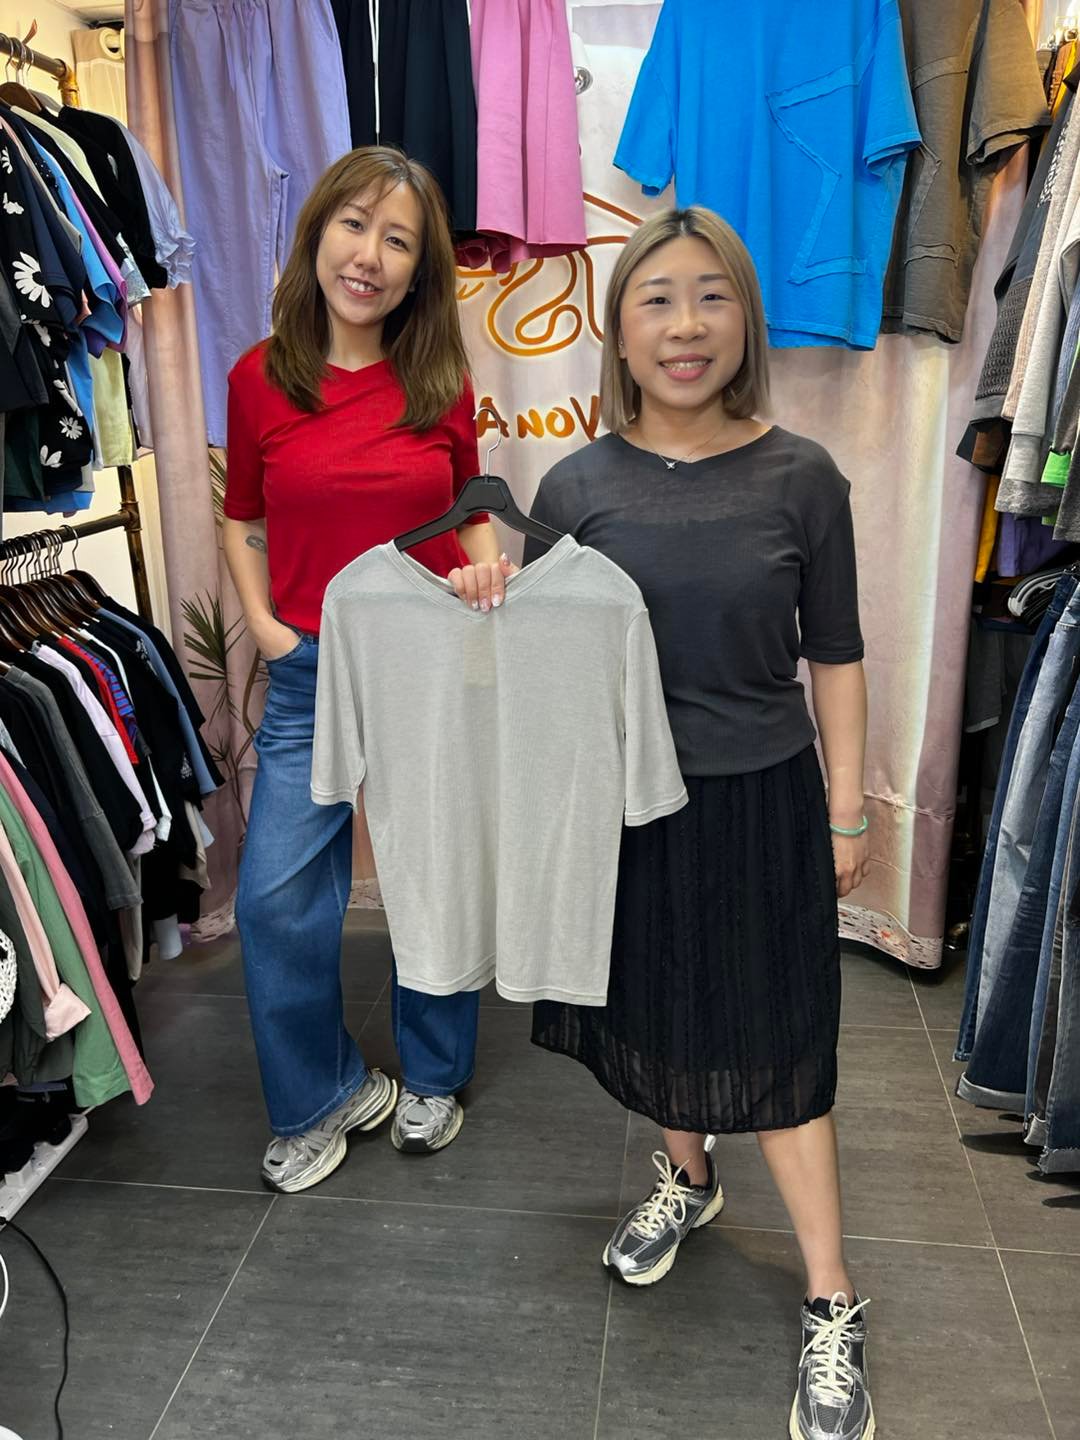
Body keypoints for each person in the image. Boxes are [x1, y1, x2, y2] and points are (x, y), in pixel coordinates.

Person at [521, 208, 873, 1440]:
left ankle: (831, 1295)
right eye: (657, 298)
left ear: (746, 323)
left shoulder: (802, 477)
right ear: (619, 331)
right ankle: (688, 1175)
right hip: (627, 809)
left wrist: (846, 813)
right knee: (665, 1011)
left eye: (711, 296)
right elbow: (544, 669)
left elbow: (836, 655)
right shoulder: (574, 488)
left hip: (764, 797)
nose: (685, 325)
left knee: (782, 1047)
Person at [223, 146, 512, 1192]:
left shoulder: (439, 380)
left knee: (431, 882)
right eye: (355, 225)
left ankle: (433, 1074)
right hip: (308, 672)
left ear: (418, 270)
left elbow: (471, 511)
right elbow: (243, 518)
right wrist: (265, 627)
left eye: (398, 241)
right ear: (318, 234)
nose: (370, 256)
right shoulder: (259, 378)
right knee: (274, 902)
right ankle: (324, 1093)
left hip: (428, 662)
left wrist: (488, 575)